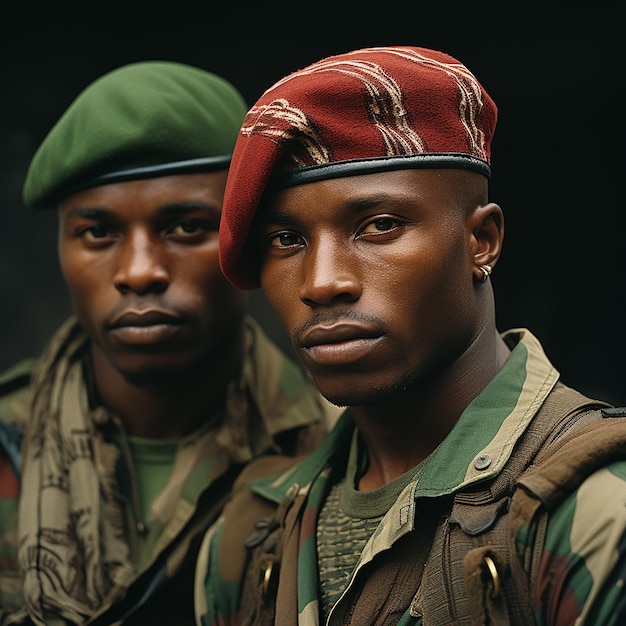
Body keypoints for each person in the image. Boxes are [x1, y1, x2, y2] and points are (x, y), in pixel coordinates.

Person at [195, 46, 626, 625]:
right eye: (286, 240)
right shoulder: (250, 536)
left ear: (482, 241)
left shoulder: (594, 512)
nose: (321, 283)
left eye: (379, 226)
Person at [0, 60, 341, 626]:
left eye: (186, 227)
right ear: (60, 248)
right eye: (98, 233)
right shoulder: (8, 440)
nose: (139, 271)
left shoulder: (340, 451)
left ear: (250, 242)